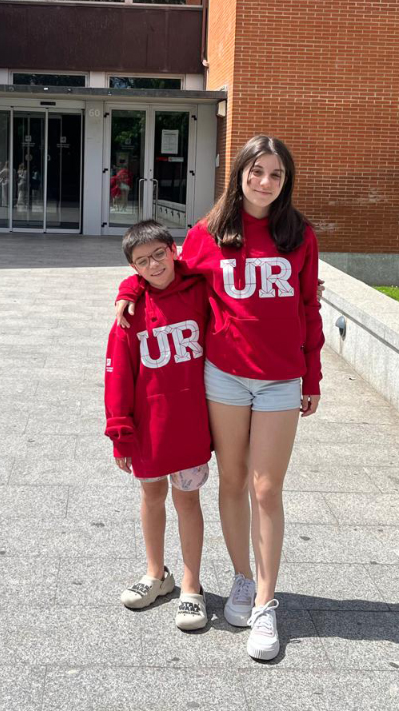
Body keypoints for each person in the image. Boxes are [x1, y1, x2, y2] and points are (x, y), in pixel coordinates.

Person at [115, 134, 322, 661]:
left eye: (276, 174)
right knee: (231, 480)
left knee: (266, 487)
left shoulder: (299, 235)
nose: (265, 182)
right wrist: (130, 290)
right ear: (240, 174)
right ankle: (242, 578)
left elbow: (307, 308)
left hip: (280, 378)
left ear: (285, 181)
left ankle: (266, 606)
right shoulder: (211, 233)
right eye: (257, 172)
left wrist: (312, 377)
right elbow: (164, 271)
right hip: (225, 375)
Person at [104, 219, 213, 632]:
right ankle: (156, 574)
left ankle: (190, 586)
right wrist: (120, 433)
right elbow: (118, 375)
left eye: (158, 254)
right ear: (133, 269)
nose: (153, 265)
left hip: (190, 424)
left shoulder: (201, 291)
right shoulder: (130, 311)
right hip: (149, 426)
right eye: (141, 262)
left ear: (173, 249)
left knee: (188, 501)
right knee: (152, 497)